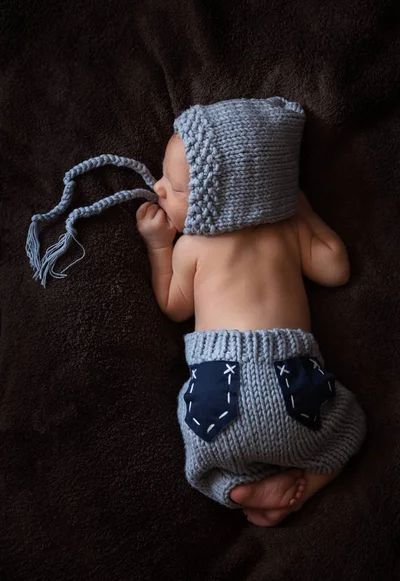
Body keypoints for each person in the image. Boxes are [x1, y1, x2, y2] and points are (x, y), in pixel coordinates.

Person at [136, 98, 366, 526]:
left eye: (177, 186)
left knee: (205, 448)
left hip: (217, 387)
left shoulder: (191, 247)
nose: (160, 188)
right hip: (291, 386)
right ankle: (303, 484)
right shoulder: (288, 231)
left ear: (227, 200)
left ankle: (237, 489)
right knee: (350, 429)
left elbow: (173, 306)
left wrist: (158, 246)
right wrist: (304, 210)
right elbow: (336, 269)